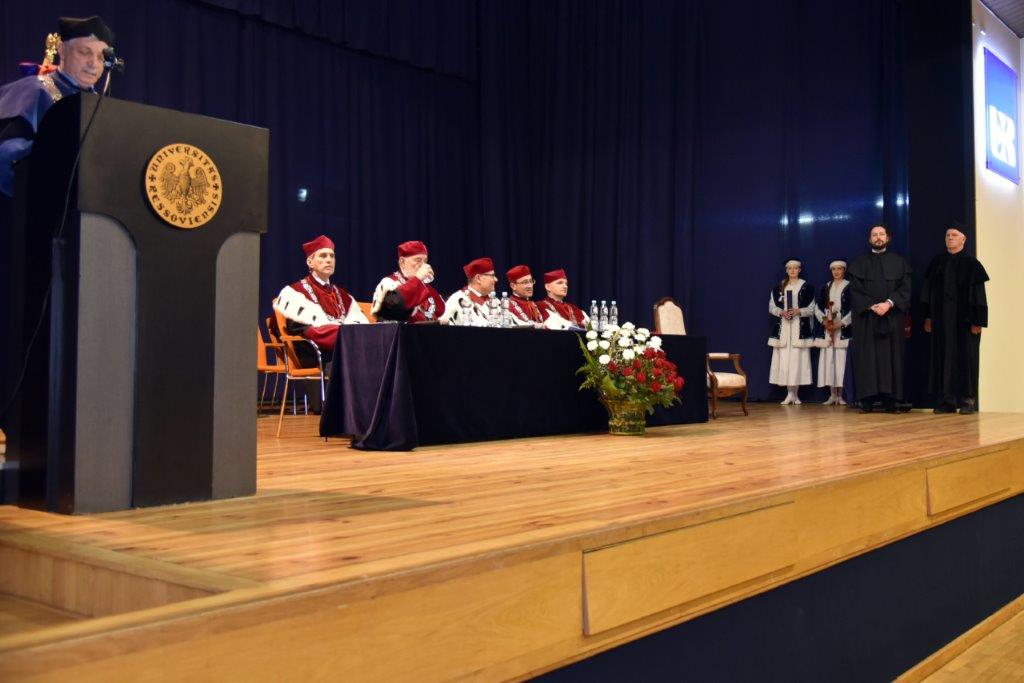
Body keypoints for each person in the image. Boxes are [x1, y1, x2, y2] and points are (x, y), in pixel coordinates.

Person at [0, 16, 114, 198]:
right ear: (62, 50)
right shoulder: (33, 90)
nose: (93, 63)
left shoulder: (102, 107)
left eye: (101, 57)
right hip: (35, 205)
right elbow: (6, 154)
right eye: (84, 52)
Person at [921, 225, 989, 414]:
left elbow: (979, 296)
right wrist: (928, 317)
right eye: (947, 235)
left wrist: (978, 321)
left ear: (963, 239)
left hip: (965, 323)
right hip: (941, 321)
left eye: (954, 235)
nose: (950, 238)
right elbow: (927, 293)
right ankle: (947, 400)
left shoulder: (972, 265)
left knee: (967, 358)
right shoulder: (937, 263)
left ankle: (967, 400)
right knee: (942, 358)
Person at [847, 225, 912, 413]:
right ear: (870, 239)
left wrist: (888, 304)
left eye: (881, 234)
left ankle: (891, 401)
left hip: (891, 316)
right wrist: (871, 305)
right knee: (866, 358)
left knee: (892, 358)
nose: (878, 237)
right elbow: (855, 290)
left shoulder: (899, 262)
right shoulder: (859, 263)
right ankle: (867, 400)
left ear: (887, 238)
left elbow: (905, 288)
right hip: (866, 318)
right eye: (874, 235)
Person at [274, 234, 368, 359]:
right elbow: (306, 331)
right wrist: (347, 335)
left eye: (332, 256)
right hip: (317, 354)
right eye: (323, 256)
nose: (329, 260)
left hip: (345, 351)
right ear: (310, 262)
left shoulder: (344, 296)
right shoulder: (296, 293)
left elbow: (362, 328)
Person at [767, 259, 815, 405]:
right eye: (790, 268)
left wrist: (798, 311)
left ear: (800, 270)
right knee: (785, 361)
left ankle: (796, 394)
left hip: (798, 328)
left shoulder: (806, 287)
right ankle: (789, 394)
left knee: (797, 361)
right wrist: (781, 312)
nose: (792, 271)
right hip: (783, 329)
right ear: (786, 270)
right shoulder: (778, 287)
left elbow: (812, 308)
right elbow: (772, 307)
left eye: (795, 268)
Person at [371, 240, 445, 323]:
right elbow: (394, 306)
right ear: (402, 262)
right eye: (418, 260)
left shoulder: (424, 286)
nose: (423, 265)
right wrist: (417, 279)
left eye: (425, 261)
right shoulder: (389, 283)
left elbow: (440, 310)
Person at [813, 260, 852, 405]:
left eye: (839, 269)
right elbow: (817, 307)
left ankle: (841, 395)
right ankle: (832, 395)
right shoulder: (826, 287)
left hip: (843, 329)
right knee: (829, 361)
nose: (836, 272)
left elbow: (854, 309)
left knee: (841, 362)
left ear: (844, 270)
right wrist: (824, 321)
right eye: (834, 269)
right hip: (828, 328)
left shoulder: (850, 287)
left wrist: (840, 324)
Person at [440, 257, 498, 326]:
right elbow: (442, 325)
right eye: (492, 276)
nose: (496, 279)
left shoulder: (495, 300)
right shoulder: (457, 299)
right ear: (478, 278)